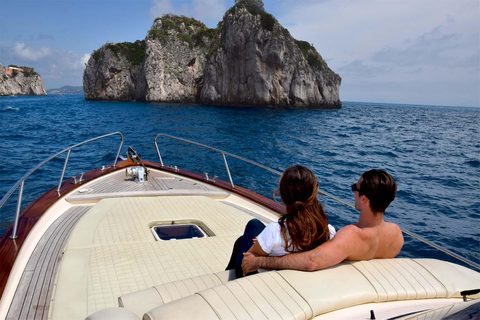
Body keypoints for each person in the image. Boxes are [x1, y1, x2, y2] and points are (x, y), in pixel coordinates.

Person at [242, 169, 404, 275]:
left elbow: (311, 261)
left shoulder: (350, 236)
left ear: (364, 199)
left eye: (355, 187)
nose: (353, 189)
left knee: (251, 229)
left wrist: (259, 261)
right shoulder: (397, 235)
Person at [226, 165, 335, 278]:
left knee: (252, 225)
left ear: (282, 197)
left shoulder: (274, 231)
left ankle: (226, 278)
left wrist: (265, 244)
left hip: (259, 280)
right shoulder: (328, 232)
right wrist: (264, 240)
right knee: (242, 240)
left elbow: (246, 264)